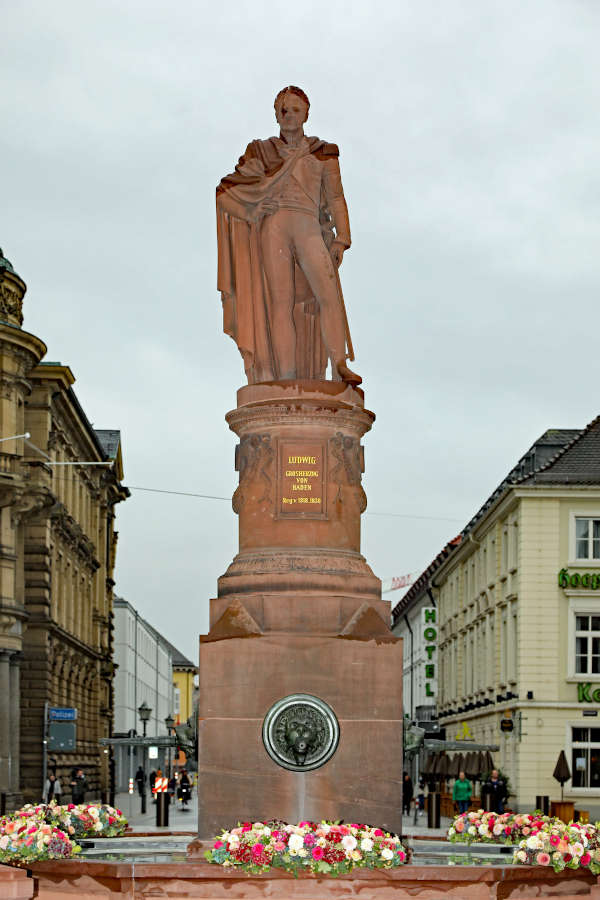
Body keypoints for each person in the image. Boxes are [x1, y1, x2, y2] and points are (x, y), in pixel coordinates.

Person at [216, 85, 360, 386]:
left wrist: (340, 239)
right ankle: (287, 375)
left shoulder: (323, 153)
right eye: (283, 109)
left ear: (306, 113)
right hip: (276, 225)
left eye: (295, 109)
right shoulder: (262, 152)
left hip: (307, 224)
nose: (288, 114)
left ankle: (339, 364)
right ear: (276, 114)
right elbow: (226, 193)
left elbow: (336, 199)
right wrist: (253, 213)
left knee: (327, 294)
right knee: (280, 302)